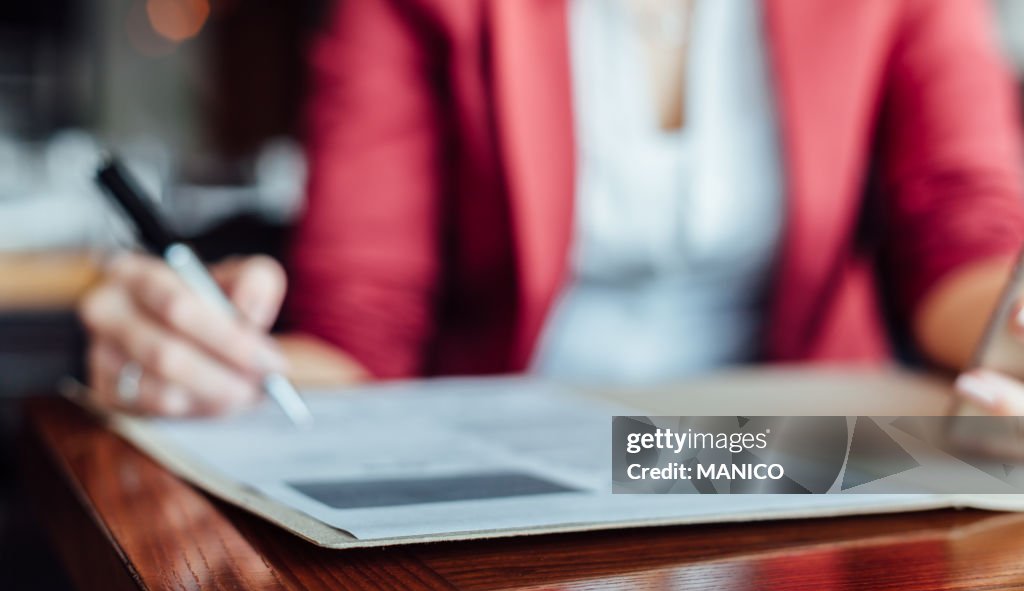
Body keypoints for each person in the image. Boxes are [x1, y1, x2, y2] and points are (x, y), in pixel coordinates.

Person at [79, 0, 1024, 416]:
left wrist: (1015, 326)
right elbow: (362, 330)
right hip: (502, 508)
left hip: (798, 475)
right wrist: (207, 364)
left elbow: (964, 232)